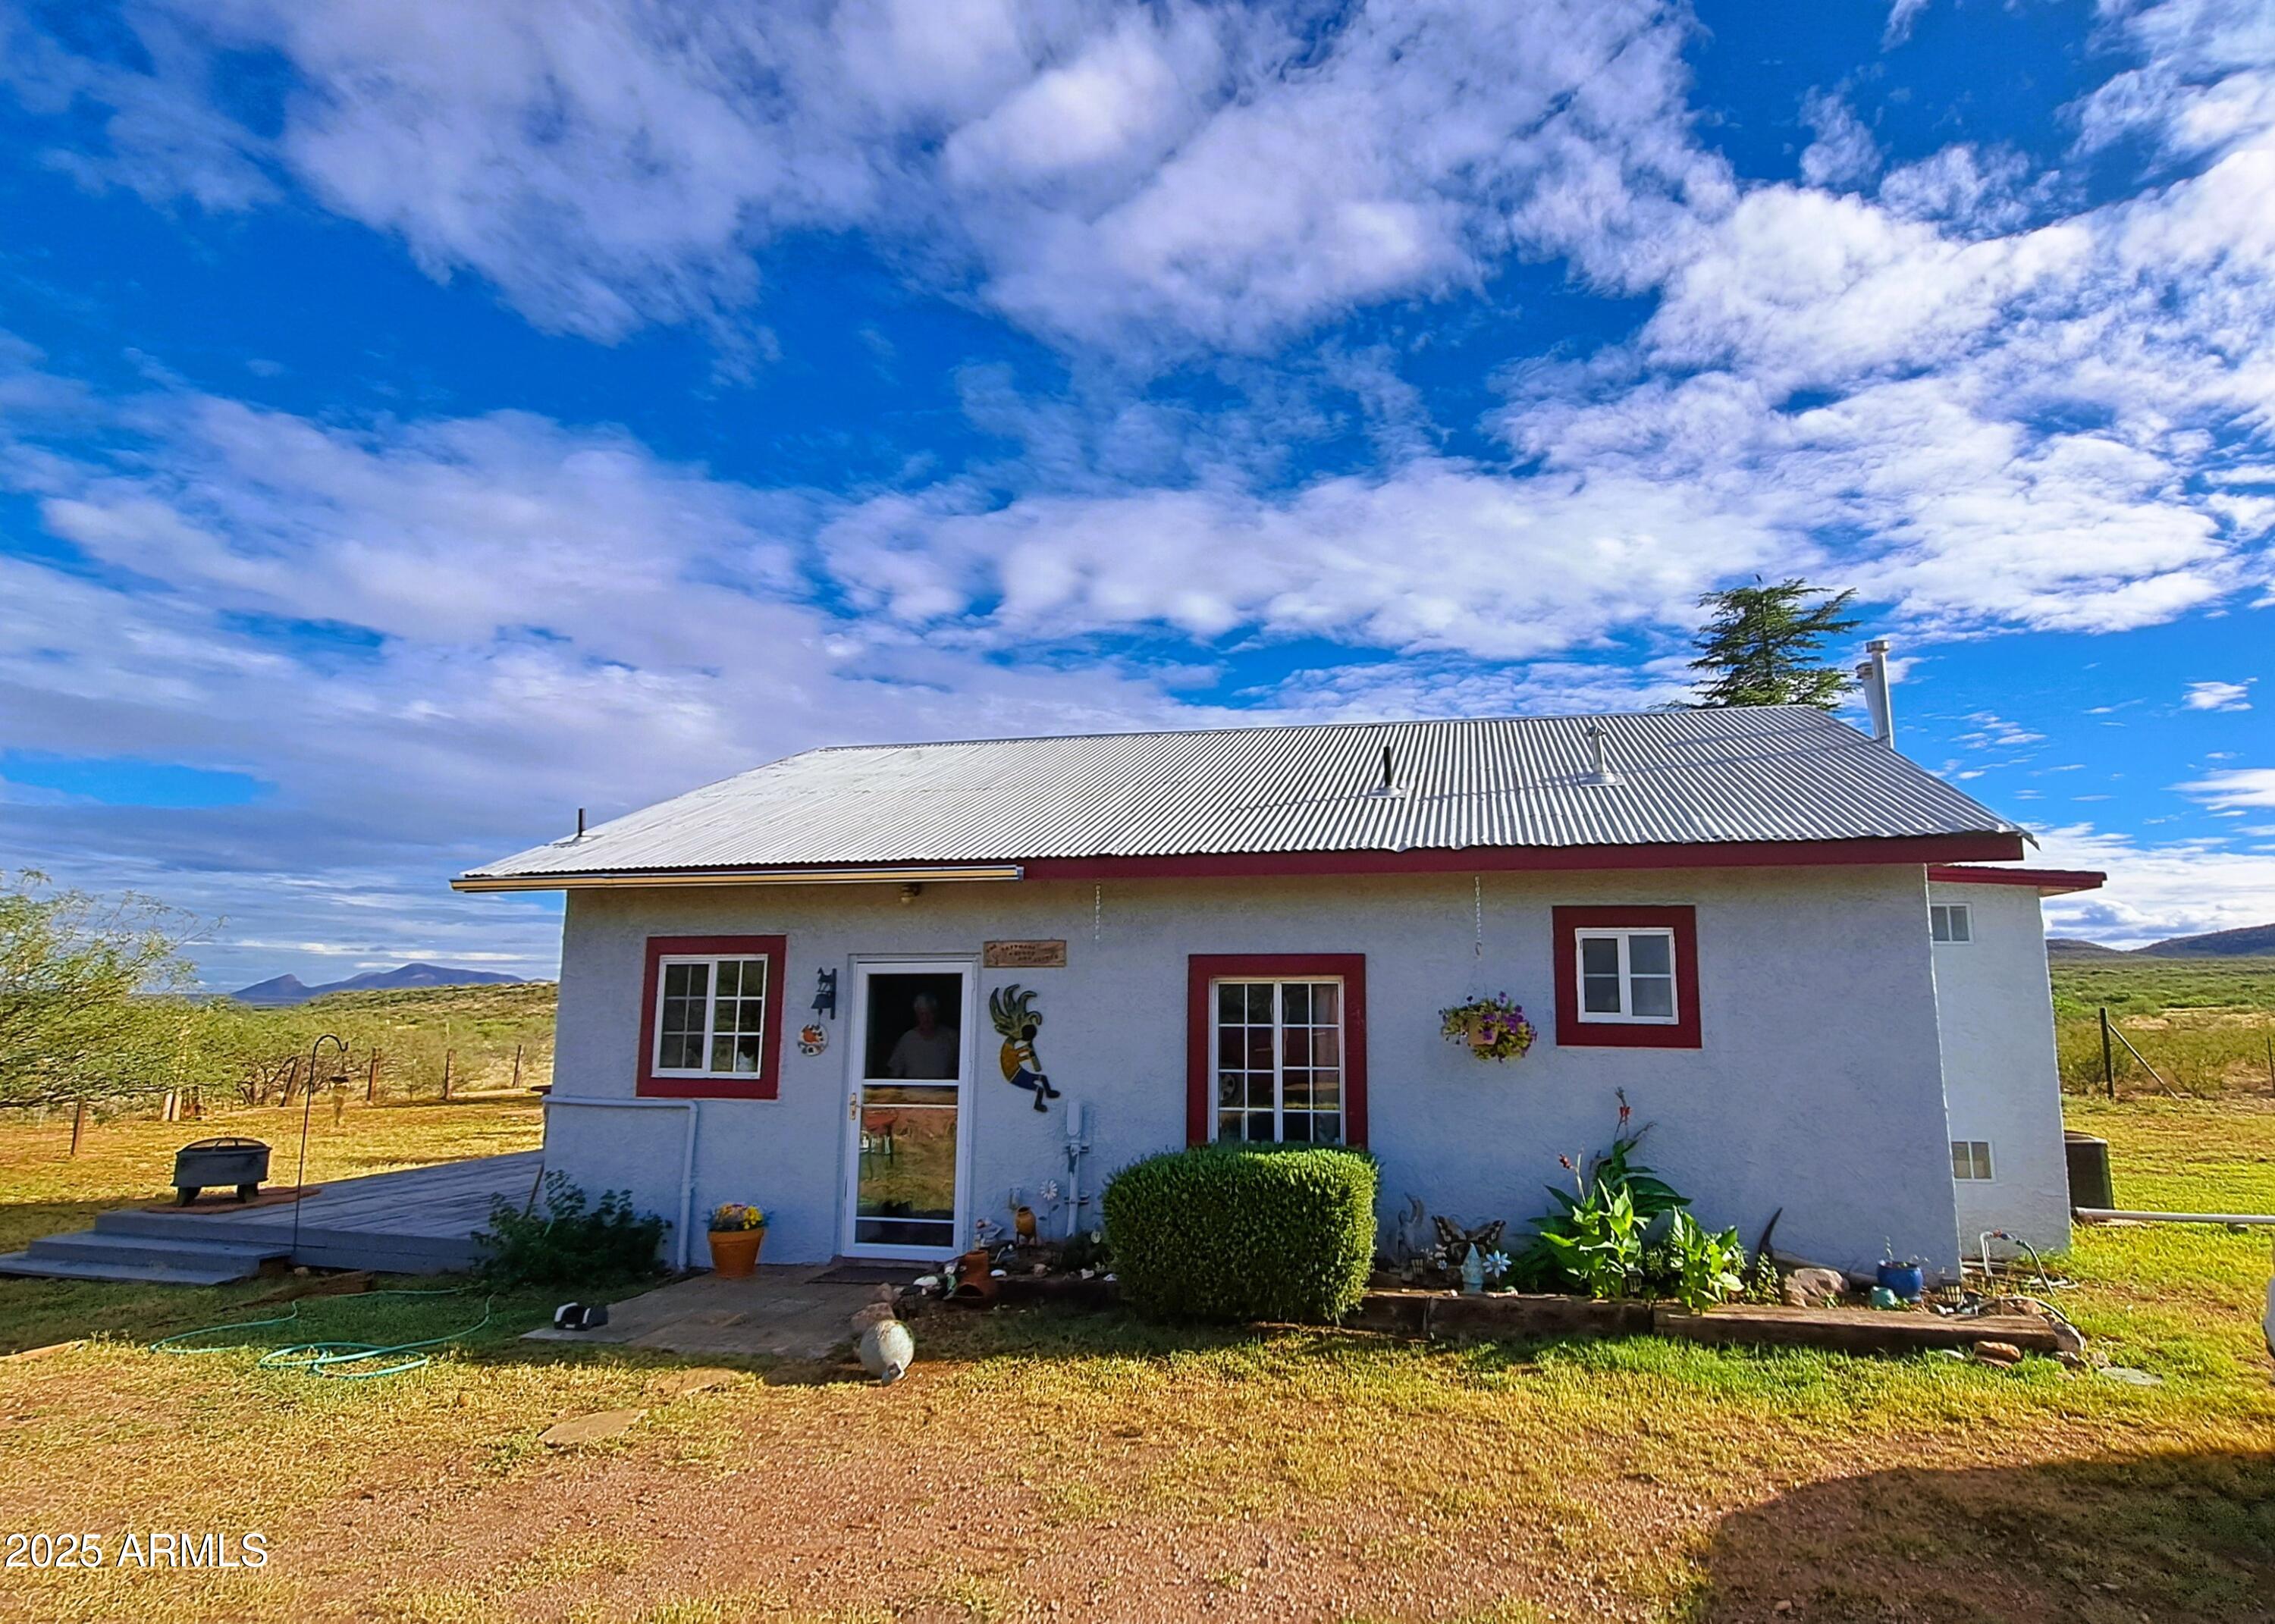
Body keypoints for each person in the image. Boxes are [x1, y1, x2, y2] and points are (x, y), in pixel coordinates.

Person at [886, 992, 959, 1079]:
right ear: (916, 1015)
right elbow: (895, 1074)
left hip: (942, 1092)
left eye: (930, 1013)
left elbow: (959, 1070)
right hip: (913, 1092)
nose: (926, 1018)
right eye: (922, 1014)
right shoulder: (907, 1040)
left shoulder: (951, 1038)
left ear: (936, 1014)